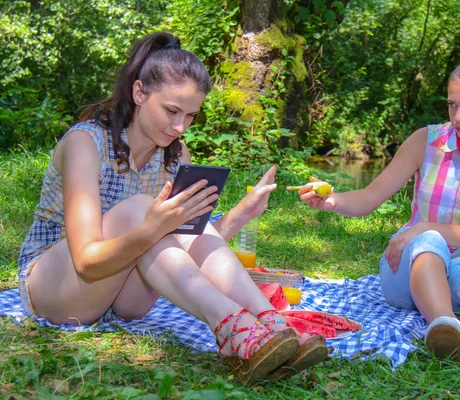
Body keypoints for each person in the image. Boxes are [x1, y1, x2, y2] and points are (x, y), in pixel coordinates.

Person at [17, 32, 327, 384]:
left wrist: (241, 214)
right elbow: (87, 263)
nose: (180, 127)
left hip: (124, 300)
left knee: (163, 220)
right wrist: (151, 225)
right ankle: (231, 326)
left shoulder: (177, 157)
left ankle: (270, 323)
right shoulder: (85, 144)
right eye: (171, 111)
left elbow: (191, 244)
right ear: (139, 93)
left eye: (191, 116)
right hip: (56, 286)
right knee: (140, 209)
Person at [298, 49, 460, 386]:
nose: (458, 117)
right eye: (452, 104)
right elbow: (369, 197)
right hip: (406, 271)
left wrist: (423, 226)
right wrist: (332, 200)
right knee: (429, 241)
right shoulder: (426, 140)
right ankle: (446, 329)